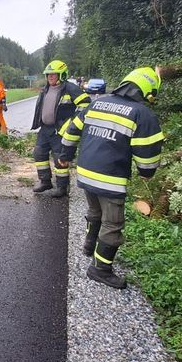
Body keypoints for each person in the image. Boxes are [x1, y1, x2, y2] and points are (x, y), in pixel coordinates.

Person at [58, 67, 164, 289]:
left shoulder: (98, 103)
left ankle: (89, 246)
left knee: (95, 211)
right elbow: (147, 154)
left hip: (86, 173)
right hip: (110, 178)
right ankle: (101, 269)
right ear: (148, 91)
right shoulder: (141, 114)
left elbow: (71, 130)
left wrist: (65, 156)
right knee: (113, 223)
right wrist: (147, 173)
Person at [30, 60, 91, 198]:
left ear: (62, 75)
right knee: (39, 153)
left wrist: (73, 123)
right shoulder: (45, 89)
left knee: (59, 157)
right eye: (48, 75)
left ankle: (62, 187)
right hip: (45, 129)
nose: (50, 77)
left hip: (60, 131)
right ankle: (45, 181)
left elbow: (86, 104)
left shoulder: (70, 88)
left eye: (53, 74)